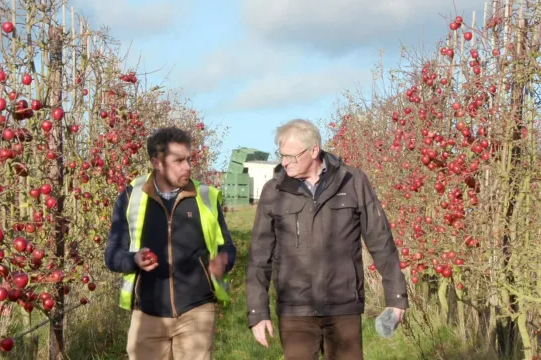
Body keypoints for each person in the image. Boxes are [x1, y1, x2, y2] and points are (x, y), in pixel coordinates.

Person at [245, 119, 408, 360]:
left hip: (343, 305)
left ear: (314, 150)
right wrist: (258, 312)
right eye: (282, 155)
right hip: (295, 308)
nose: (285, 162)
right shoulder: (274, 191)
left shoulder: (352, 181)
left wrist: (396, 297)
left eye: (292, 156)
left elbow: (380, 240)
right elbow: (259, 256)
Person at [105, 126, 236, 360]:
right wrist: (133, 259)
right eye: (179, 161)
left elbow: (227, 246)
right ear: (157, 163)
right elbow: (112, 255)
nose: (188, 166)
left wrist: (223, 261)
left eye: (188, 159)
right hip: (147, 312)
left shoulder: (206, 196)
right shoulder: (130, 198)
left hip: (196, 310)